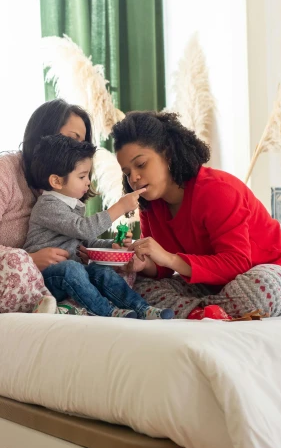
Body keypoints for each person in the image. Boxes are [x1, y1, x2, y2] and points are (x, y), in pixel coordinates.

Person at [110, 111, 281, 319]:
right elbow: (162, 270)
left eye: (141, 164)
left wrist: (170, 259)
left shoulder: (217, 190)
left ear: (168, 154)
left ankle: (192, 310)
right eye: (127, 172)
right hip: (215, 286)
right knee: (135, 286)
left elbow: (237, 263)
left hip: (278, 277)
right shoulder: (150, 205)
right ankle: (205, 312)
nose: (134, 178)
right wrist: (144, 263)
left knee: (262, 288)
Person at [0, 99, 97, 314]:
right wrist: (29, 261)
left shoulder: (64, 190)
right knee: (16, 263)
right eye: (72, 139)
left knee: (107, 270)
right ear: (45, 134)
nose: (78, 150)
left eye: (82, 143)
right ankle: (56, 309)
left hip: (39, 282)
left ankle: (66, 309)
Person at [22, 135, 173, 319]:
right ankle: (107, 312)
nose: (88, 182)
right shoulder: (48, 205)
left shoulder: (72, 206)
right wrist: (119, 208)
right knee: (72, 268)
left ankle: (143, 309)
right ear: (57, 181)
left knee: (102, 271)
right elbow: (83, 229)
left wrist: (113, 245)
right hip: (45, 279)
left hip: (71, 275)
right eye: (82, 176)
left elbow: (87, 241)